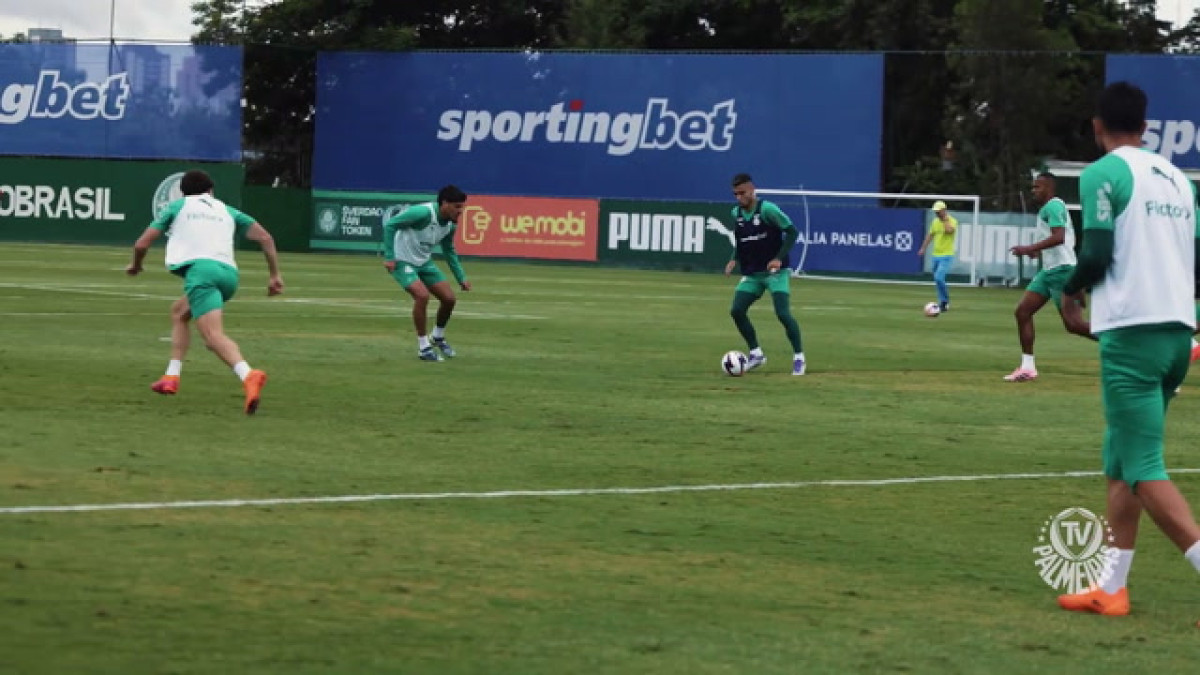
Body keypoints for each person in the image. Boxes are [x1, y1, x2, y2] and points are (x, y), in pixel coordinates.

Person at [1056, 81, 1200, 619]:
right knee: (1120, 461)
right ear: (1146, 125)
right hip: (1175, 333)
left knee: (1141, 467)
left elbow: (1096, 250)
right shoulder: (1179, 181)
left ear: (1098, 126)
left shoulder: (1104, 172)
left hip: (1132, 333)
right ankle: (1110, 587)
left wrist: (1070, 292)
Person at [126, 169, 284, 415]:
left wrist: (136, 265)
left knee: (212, 337)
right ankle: (171, 376)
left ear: (184, 192)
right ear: (210, 190)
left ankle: (249, 375)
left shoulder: (178, 206)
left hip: (202, 273)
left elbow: (142, 243)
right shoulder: (225, 209)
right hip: (229, 274)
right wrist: (274, 275)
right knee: (179, 312)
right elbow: (265, 237)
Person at [1004, 172, 1095, 381]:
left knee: (1074, 325)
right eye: (1033, 187)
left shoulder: (1053, 206)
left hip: (1062, 270)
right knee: (1022, 312)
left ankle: (1123, 344)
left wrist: (1029, 248)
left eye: (1038, 187)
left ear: (1049, 188)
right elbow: (1054, 238)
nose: (1033, 191)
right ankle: (1028, 367)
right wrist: (1037, 252)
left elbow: (1059, 237)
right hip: (1049, 271)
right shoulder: (1048, 209)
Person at [724, 173, 805, 375]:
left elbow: (792, 232)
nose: (738, 198)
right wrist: (734, 258)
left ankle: (799, 357)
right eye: (735, 194)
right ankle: (756, 354)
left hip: (775, 273)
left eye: (742, 193)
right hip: (753, 273)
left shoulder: (768, 210)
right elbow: (740, 239)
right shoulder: (737, 213)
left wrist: (778, 258)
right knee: (736, 310)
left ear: (752, 190)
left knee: (782, 314)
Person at [382, 185, 472, 361]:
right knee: (422, 296)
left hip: (423, 262)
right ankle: (424, 347)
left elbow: (449, 250)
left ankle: (437, 336)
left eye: (462, 207)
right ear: (444, 203)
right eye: (457, 207)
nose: (461, 211)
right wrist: (389, 257)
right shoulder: (423, 213)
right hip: (402, 260)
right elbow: (391, 225)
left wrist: (461, 277)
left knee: (449, 299)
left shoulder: (450, 225)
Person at [917, 201, 958, 312]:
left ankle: (945, 301)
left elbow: (949, 231)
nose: (937, 214)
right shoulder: (935, 222)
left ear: (944, 210)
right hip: (936, 255)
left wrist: (945, 220)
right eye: (936, 212)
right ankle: (942, 300)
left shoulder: (952, 221)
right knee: (938, 280)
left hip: (946, 255)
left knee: (939, 277)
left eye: (939, 212)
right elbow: (930, 235)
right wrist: (923, 248)